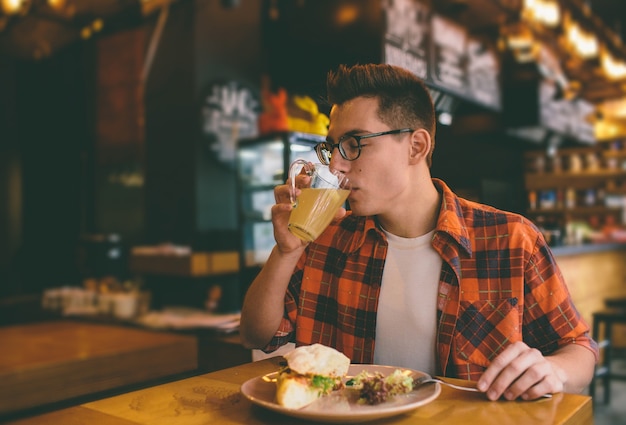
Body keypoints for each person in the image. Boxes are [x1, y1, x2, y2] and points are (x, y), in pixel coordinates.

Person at [240, 63, 598, 401]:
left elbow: (578, 348)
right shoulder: (328, 237)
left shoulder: (510, 239)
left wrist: (552, 370)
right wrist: (286, 251)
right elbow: (257, 335)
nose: (336, 164)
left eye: (354, 143)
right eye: (332, 147)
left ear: (416, 146)